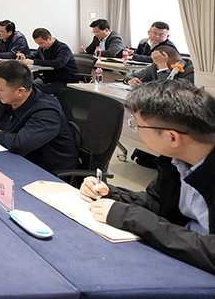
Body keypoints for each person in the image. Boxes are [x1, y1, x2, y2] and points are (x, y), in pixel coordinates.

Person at [81, 80, 215, 275]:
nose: (136, 130)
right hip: (184, 254)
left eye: (138, 125)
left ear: (172, 137)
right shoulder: (176, 161)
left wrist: (131, 217)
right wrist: (112, 194)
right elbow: (158, 201)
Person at [0, 61, 77, 173]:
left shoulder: (47, 112)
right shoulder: (8, 101)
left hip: (46, 172)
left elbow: (20, 144)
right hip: (17, 159)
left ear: (20, 91)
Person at [19, 28, 79, 95]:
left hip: (64, 80)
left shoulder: (63, 48)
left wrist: (33, 62)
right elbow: (34, 56)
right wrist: (25, 57)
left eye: (41, 43)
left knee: (34, 91)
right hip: (48, 79)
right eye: (38, 43)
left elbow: (58, 64)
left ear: (49, 38)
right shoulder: (42, 48)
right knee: (25, 87)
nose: (40, 45)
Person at [126, 46, 195, 87]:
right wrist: (130, 80)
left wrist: (163, 67)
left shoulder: (190, 71)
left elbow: (167, 90)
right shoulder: (156, 66)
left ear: (178, 61)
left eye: (167, 65)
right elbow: (131, 76)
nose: (158, 68)